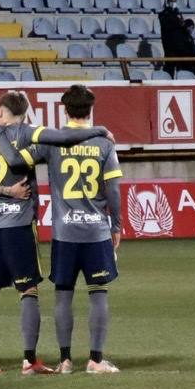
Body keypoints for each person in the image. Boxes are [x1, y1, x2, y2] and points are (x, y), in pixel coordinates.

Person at [0, 91, 109, 373]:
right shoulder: (29, 133)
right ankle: (29, 359)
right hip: (20, 225)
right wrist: (100, 130)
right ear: (26, 113)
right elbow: (66, 138)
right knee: (28, 290)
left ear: (0, 112)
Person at [32, 85, 122, 373]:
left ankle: (65, 360)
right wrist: (116, 224)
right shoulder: (105, 144)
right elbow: (114, 189)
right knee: (98, 293)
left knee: (63, 295)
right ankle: (95, 360)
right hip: (96, 231)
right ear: (90, 109)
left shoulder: (52, 142)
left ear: (65, 109)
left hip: (64, 233)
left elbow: (21, 158)